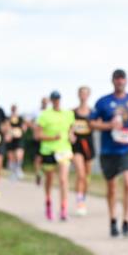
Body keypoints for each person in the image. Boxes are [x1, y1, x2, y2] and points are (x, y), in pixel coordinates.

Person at [91, 69, 128, 237]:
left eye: (122, 78)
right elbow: (92, 123)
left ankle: (126, 221)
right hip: (109, 150)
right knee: (112, 187)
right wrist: (109, 126)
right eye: (117, 79)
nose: (120, 81)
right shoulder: (103, 102)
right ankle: (113, 220)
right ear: (113, 81)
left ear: (126, 81)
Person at [35, 90, 76, 221]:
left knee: (63, 179)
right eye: (54, 99)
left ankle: (63, 209)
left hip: (64, 150)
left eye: (58, 99)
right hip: (48, 151)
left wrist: (71, 135)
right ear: (51, 101)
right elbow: (37, 135)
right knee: (50, 179)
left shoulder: (68, 114)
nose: (56, 101)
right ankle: (48, 202)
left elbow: (71, 129)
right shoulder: (44, 115)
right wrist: (52, 138)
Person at [71, 86, 95, 215]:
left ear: (88, 95)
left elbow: (97, 125)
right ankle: (79, 201)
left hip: (88, 146)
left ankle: (83, 197)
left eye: (85, 93)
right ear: (78, 95)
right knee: (80, 174)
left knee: (87, 176)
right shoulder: (72, 112)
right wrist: (70, 134)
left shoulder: (92, 112)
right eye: (81, 93)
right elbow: (68, 127)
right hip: (76, 146)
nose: (83, 96)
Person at [6, 105, 27, 179]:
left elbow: (24, 128)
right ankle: (13, 173)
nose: (14, 111)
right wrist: (9, 133)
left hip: (19, 139)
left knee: (18, 155)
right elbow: (6, 127)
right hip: (11, 139)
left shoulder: (20, 118)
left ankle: (18, 169)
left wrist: (21, 130)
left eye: (15, 110)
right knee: (11, 158)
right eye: (13, 110)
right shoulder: (8, 118)